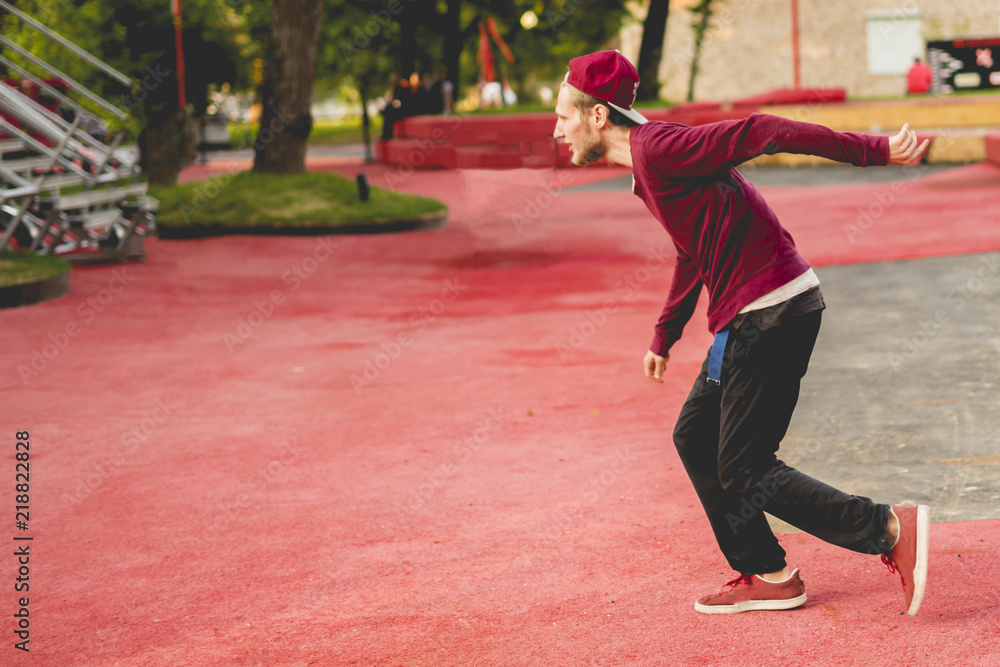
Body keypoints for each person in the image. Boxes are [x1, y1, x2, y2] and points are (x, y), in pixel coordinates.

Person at [552, 50, 932, 616]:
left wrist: (871, 151)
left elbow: (763, 130)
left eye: (563, 116)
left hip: (771, 309)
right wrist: (665, 333)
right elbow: (692, 248)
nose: (557, 129)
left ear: (598, 117)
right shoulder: (648, 164)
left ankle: (888, 528)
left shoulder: (659, 148)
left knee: (747, 467)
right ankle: (770, 572)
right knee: (695, 434)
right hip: (751, 314)